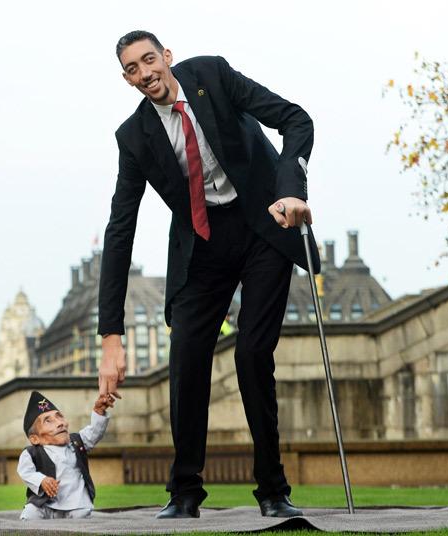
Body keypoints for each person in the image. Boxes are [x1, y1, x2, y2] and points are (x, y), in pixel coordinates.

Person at [97, 31, 320, 519]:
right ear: (127, 79)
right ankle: (184, 492)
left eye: (149, 60)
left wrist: (291, 188)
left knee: (251, 353)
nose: (145, 73)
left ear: (167, 58)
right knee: (187, 360)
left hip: (264, 223)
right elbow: (120, 231)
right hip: (202, 244)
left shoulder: (212, 76)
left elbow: (295, 121)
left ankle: (273, 491)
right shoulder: (134, 138)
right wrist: (111, 333)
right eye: (132, 69)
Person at [17, 391, 114, 520]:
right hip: (44, 504)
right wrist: (42, 480)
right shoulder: (31, 453)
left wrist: (99, 412)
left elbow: (94, 432)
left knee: (81, 517)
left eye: (59, 417)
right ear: (35, 439)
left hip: (76, 503)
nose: (59, 423)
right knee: (30, 514)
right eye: (48, 421)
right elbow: (25, 471)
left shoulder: (77, 441)